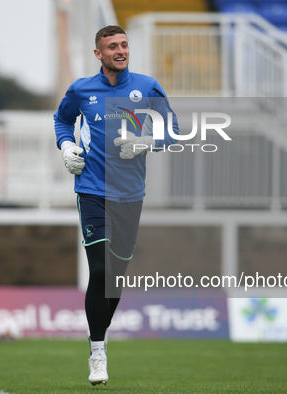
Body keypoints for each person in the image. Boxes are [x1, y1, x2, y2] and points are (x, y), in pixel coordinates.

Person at [54, 25, 178, 386]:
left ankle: (99, 335)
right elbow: (62, 120)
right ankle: (97, 353)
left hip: (131, 195)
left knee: (115, 279)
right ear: (99, 54)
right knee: (101, 269)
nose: (121, 50)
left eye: (124, 44)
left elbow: (171, 130)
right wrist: (66, 148)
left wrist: (143, 142)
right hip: (92, 190)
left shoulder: (147, 86)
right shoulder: (81, 90)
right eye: (113, 46)